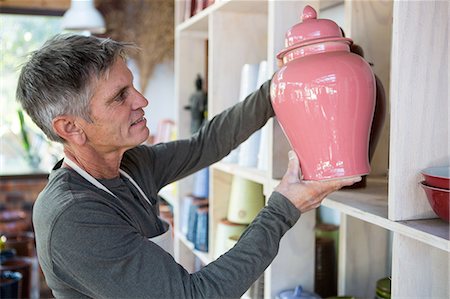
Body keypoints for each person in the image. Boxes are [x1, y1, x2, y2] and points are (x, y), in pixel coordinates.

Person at [16, 34, 360, 298]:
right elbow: (195, 295)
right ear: (70, 128)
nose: (142, 100)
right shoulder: (73, 218)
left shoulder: (130, 164)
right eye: (120, 96)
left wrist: (277, 89)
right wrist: (285, 206)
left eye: (132, 86)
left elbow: (205, 144)